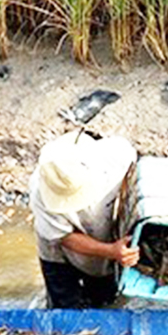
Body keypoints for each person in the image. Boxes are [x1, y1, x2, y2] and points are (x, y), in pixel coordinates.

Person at [28, 130, 139, 308]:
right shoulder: (40, 190)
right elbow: (65, 237)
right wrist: (111, 250)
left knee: (104, 301)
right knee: (64, 307)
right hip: (58, 251)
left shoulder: (118, 156)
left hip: (104, 235)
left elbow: (137, 182)